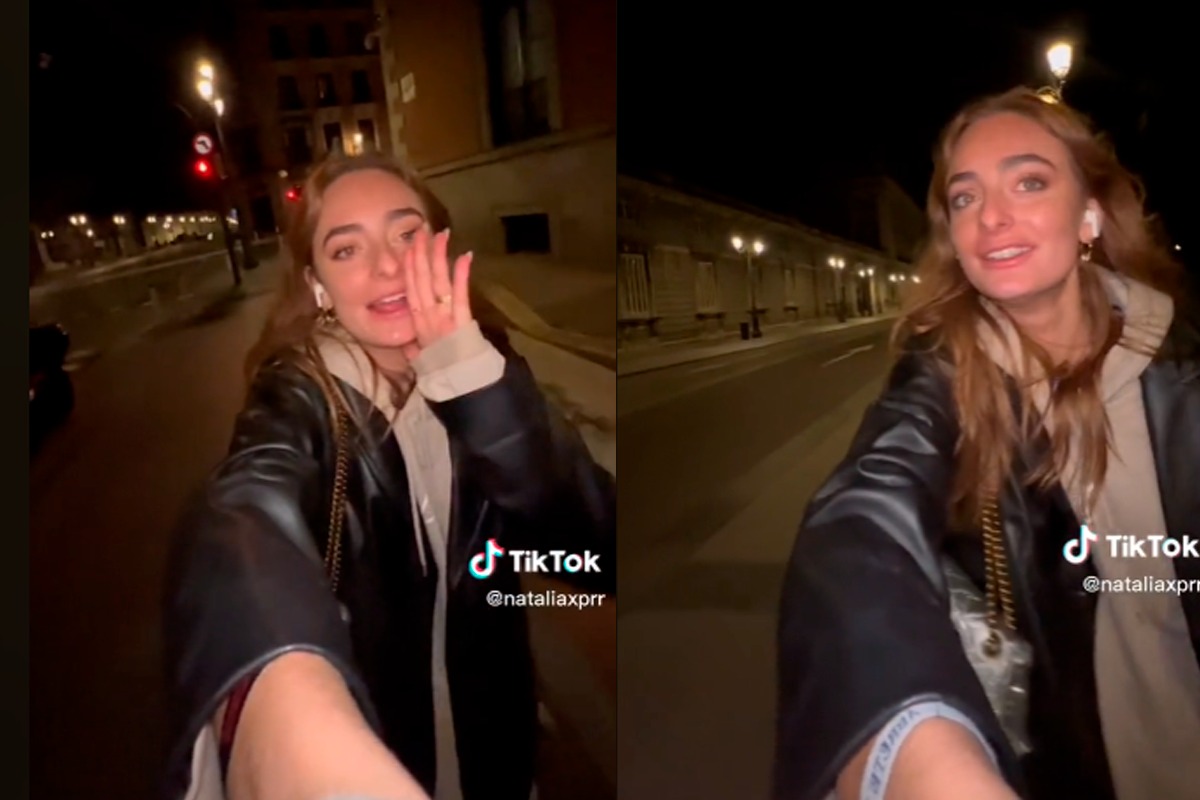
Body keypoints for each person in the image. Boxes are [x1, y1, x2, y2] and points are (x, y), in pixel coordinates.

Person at [773, 87, 1200, 800]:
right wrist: (907, 743)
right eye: (965, 198)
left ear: (1090, 214)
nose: (991, 217)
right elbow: (860, 525)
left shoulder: (1181, 364)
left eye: (1028, 182)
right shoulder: (942, 377)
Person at [161, 152, 615, 800]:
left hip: (500, 758)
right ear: (317, 284)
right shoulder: (301, 400)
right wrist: (276, 687)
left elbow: (593, 550)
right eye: (347, 249)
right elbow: (244, 510)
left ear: (440, 247)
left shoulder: (486, 368)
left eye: (406, 234)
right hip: (382, 756)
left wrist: (474, 386)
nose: (387, 266)